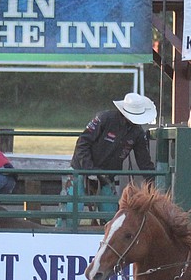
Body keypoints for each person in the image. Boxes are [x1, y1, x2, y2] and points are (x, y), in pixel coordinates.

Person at [66, 92, 157, 226]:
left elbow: (143, 160)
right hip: (81, 171)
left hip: (106, 176)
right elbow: (82, 143)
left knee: (111, 217)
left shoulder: (137, 132)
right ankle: (62, 235)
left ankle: (109, 242)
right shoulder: (105, 119)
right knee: (71, 212)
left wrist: (153, 180)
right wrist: (89, 169)